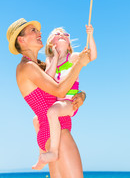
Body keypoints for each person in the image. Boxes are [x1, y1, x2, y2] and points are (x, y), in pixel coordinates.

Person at [6, 18, 91, 178]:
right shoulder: (26, 67)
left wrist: (81, 95)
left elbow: (66, 87)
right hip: (58, 133)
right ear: (21, 39)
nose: (39, 33)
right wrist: (79, 63)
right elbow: (59, 91)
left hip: (50, 134)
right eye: (33, 31)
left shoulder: (40, 67)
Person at [32, 25, 97, 169]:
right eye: (57, 34)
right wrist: (54, 57)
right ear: (51, 44)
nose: (61, 34)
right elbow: (47, 78)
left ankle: (53, 152)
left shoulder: (72, 57)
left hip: (69, 102)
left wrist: (90, 35)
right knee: (36, 120)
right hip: (57, 102)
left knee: (53, 112)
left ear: (68, 45)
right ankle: (42, 152)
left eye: (65, 34)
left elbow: (92, 56)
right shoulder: (49, 60)